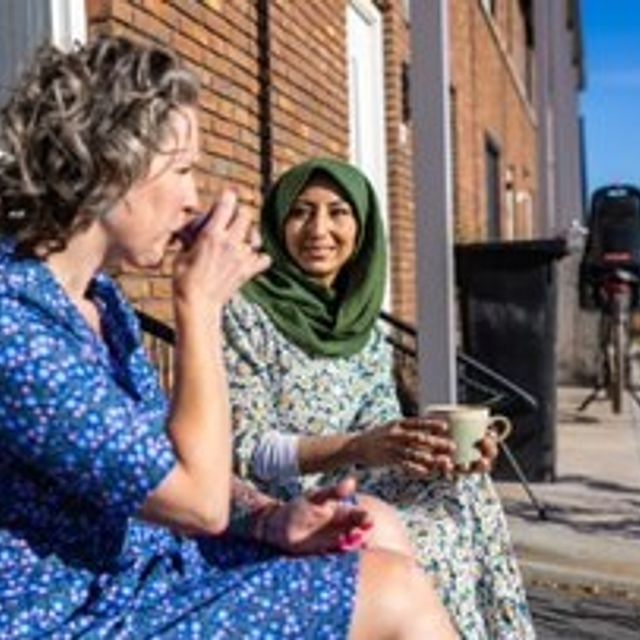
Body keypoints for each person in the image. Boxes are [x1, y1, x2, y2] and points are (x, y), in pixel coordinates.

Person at [0, 37, 458, 639]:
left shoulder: (102, 304)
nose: (194, 199)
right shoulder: (16, 326)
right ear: (110, 166)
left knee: (373, 524)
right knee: (393, 596)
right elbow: (196, 501)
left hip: (150, 575)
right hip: (77, 613)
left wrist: (272, 517)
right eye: (183, 169)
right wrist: (199, 307)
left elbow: (168, 463)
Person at [223, 158, 536, 639]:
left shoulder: (362, 326)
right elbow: (245, 450)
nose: (319, 229)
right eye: (301, 212)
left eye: (338, 212)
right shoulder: (246, 312)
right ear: (277, 221)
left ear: (362, 227)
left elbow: (381, 427)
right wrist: (356, 447)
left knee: (465, 492)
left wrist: (435, 454)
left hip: (362, 485)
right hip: (284, 503)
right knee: (430, 540)